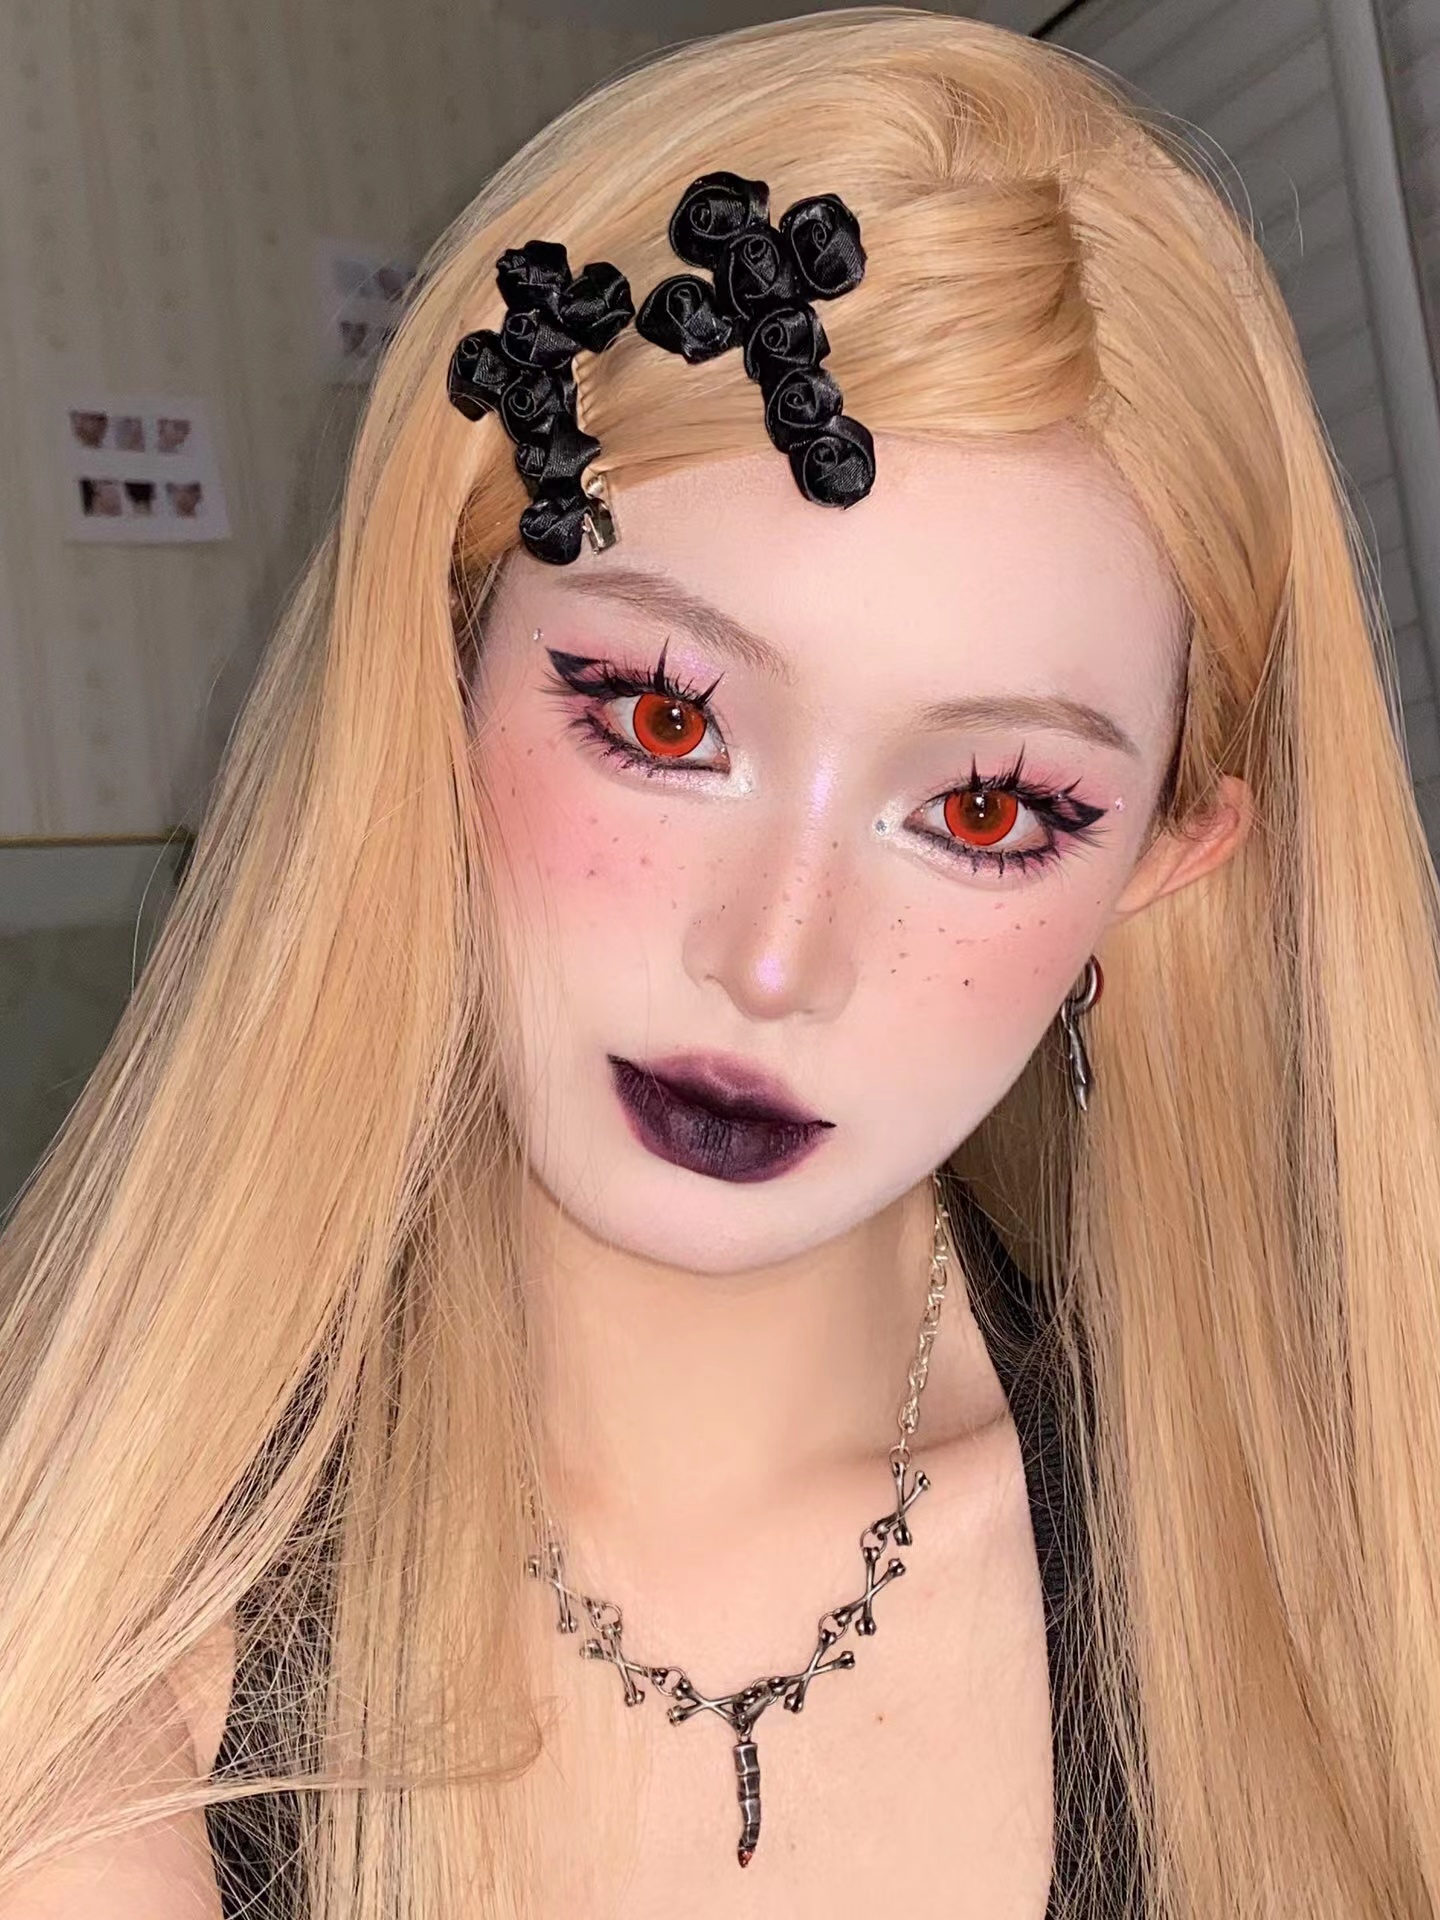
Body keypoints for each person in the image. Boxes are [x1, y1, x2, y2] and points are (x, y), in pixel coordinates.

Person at [2, 10, 1438, 1918]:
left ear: (1160, 876)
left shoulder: (1359, 1590)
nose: (774, 960)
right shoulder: (97, 1663)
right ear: (431, 682)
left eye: (988, 811)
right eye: (666, 721)